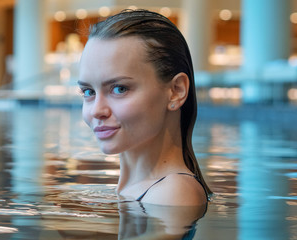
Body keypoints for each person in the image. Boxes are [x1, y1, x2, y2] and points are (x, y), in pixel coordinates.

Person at [78, 9, 212, 206]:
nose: (97, 110)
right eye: (89, 92)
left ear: (176, 91)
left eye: (119, 88)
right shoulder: (142, 191)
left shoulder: (173, 195)